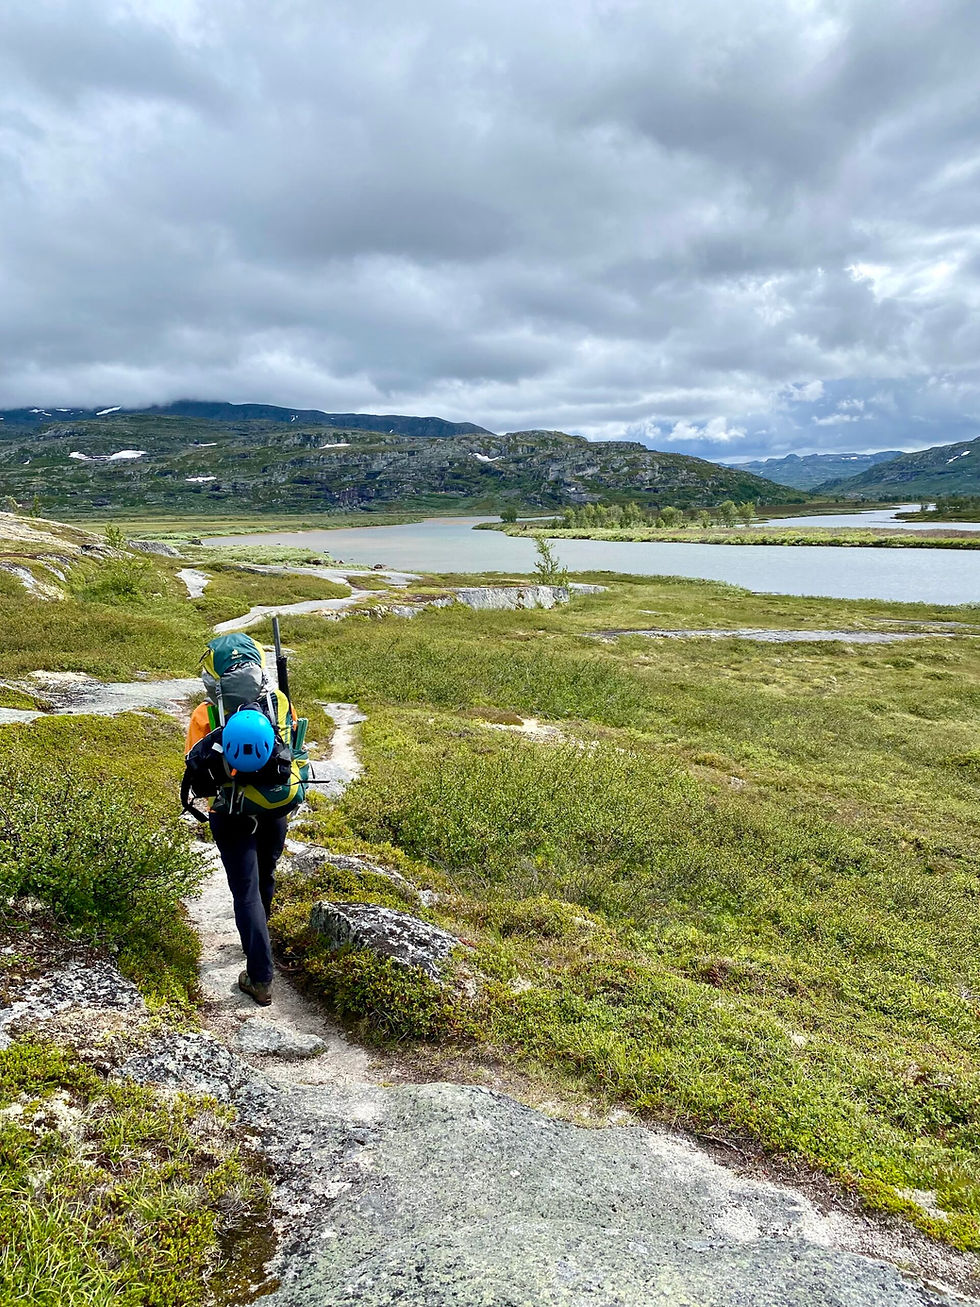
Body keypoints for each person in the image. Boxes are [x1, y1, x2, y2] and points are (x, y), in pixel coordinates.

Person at [184, 673, 302, 1007]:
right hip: (273, 807)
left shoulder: (204, 714)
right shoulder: (278, 703)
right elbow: (294, 750)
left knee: (245, 889)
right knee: (266, 875)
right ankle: (259, 939)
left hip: (228, 814)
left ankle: (260, 977)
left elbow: (197, 770)